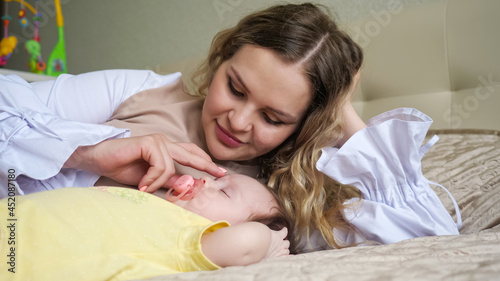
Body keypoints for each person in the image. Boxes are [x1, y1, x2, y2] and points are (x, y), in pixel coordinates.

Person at [0, 2, 459, 254]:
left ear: (303, 126)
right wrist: (90, 152)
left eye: (273, 118)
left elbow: (429, 245)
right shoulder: (143, 91)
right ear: (221, 60)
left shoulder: (280, 199)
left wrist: (341, 112)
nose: (237, 122)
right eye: (235, 88)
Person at [0, 174, 291, 280]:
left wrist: (270, 241)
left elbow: (245, 241)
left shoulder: (191, 237)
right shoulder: (153, 204)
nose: (208, 181)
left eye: (225, 191)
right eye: (217, 177)